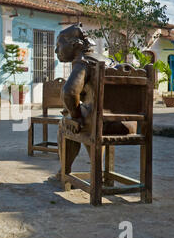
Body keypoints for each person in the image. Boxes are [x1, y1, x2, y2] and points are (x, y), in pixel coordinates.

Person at [55, 23, 136, 171]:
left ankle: (64, 173)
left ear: (75, 45)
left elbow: (69, 92)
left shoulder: (83, 62)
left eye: (59, 46)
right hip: (127, 124)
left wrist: (75, 115)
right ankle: (98, 170)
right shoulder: (109, 61)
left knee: (68, 122)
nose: (56, 50)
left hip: (101, 124)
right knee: (86, 119)